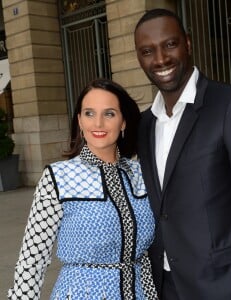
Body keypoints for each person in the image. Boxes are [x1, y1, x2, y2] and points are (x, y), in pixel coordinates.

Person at [134, 8, 231, 300]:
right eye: (147, 51)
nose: (161, 59)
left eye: (169, 44)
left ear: (187, 43)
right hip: (162, 288)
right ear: (139, 58)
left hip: (223, 289)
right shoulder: (144, 125)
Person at [8, 78, 158, 299]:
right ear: (79, 120)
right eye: (89, 113)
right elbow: (33, 257)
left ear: (123, 122)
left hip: (141, 292)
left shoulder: (142, 173)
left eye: (109, 114)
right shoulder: (59, 177)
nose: (98, 123)